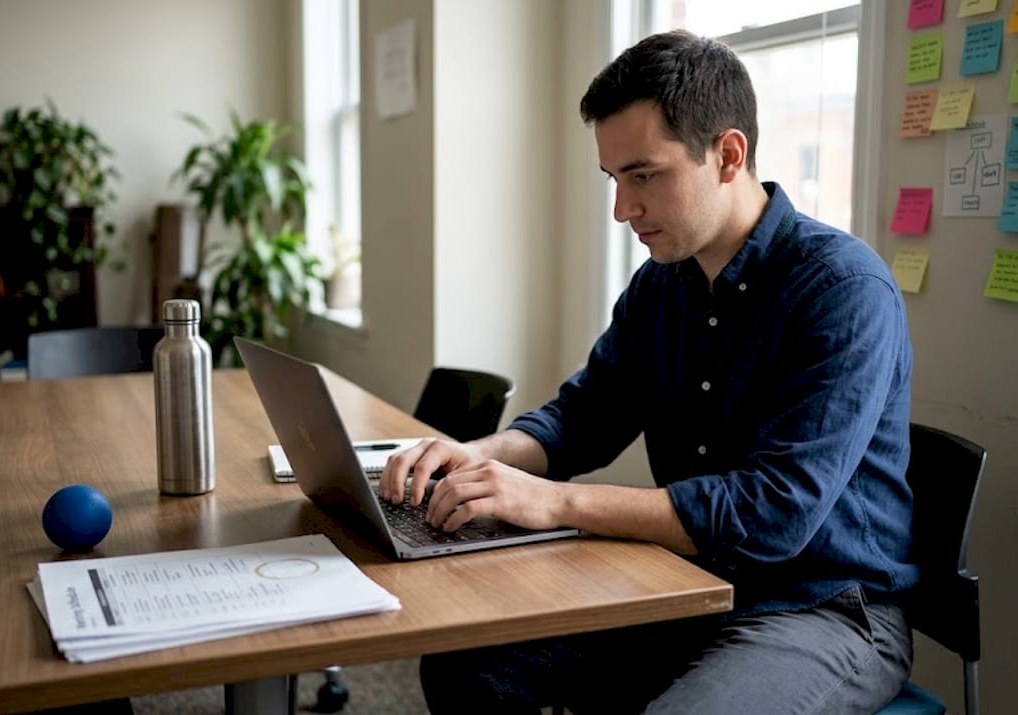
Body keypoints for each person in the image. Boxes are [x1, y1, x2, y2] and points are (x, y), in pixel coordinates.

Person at [379, 29, 916, 715]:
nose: (622, 209)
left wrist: (548, 501)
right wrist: (477, 456)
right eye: (614, 179)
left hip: (827, 607)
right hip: (684, 583)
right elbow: (582, 417)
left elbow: (773, 513)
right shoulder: (664, 283)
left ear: (727, 155)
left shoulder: (842, 289)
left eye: (643, 175)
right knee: (466, 664)